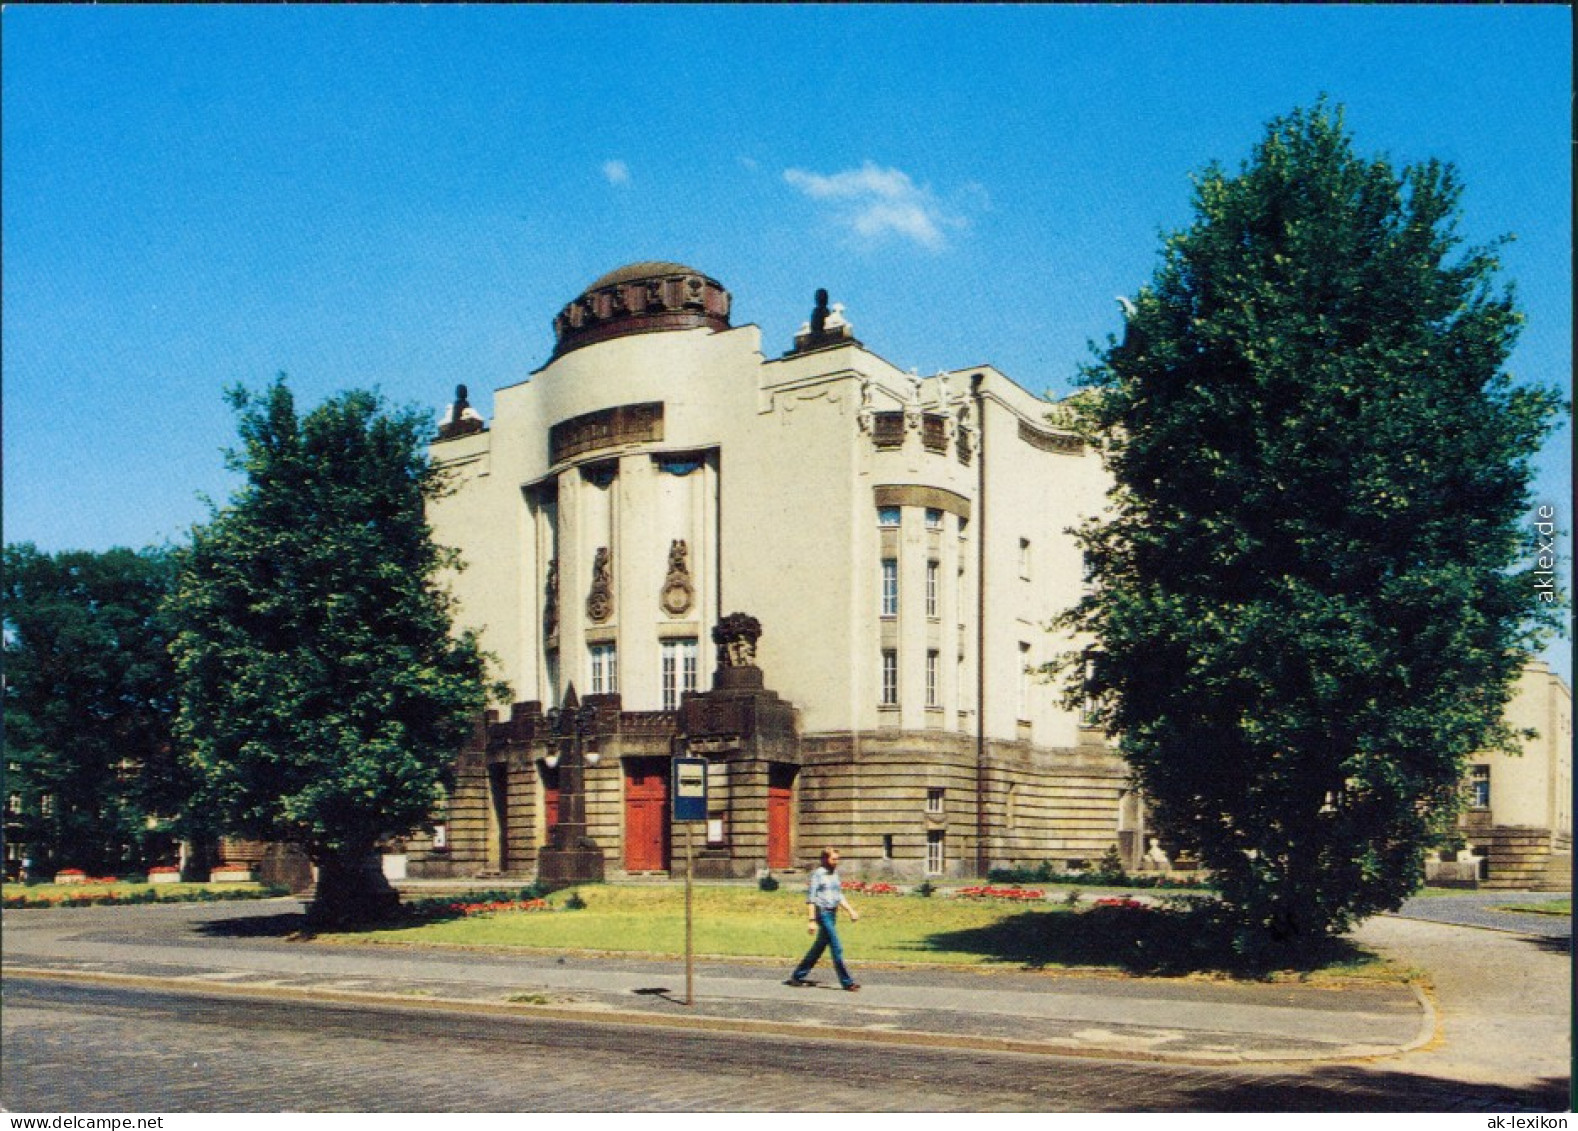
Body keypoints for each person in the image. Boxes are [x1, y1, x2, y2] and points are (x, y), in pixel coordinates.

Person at [786, 847, 860, 991]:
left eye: (838, 859)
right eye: (834, 859)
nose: (836, 862)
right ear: (825, 859)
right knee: (836, 947)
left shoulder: (835, 874)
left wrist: (851, 911)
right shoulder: (818, 875)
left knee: (818, 948)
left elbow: (839, 896)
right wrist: (812, 920)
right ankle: (847, 982)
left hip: (832, 914)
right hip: (823, 914)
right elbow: (811, 899)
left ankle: (797, 976)